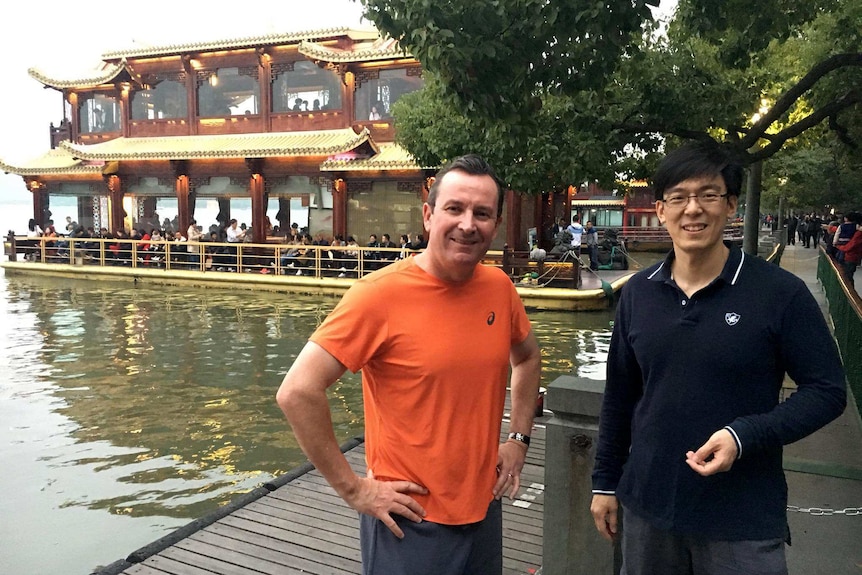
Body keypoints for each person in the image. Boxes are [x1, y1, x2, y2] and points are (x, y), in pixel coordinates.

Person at [276, 154, 541, 575]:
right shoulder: (378, 295)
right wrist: (355, 490)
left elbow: (526, 357)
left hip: (483, 506)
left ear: (496, 223)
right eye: (454, 208)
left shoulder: (499, 287)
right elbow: (296, 391)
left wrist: (518, 439)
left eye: (482, 213)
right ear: (429, 215)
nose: (468, 224)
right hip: (410, 519)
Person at [590, 140, 846, 575]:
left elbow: (827, 391)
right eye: (679, 197)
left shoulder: (779, 294)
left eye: (708, 195)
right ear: (661, 210)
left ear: (730, 205)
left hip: (742, 517)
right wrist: (605, 482)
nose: (693, 209)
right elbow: (620, 396)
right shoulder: (638, 293)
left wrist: (746, 434)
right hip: (648, 508)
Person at [836, 212, 862, 288]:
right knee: (846, 276)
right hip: (851, 256)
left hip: (850, 256)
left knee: (847, 278)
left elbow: (852, 245)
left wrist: (839, 247)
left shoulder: (859, 234)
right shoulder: (856, 230)